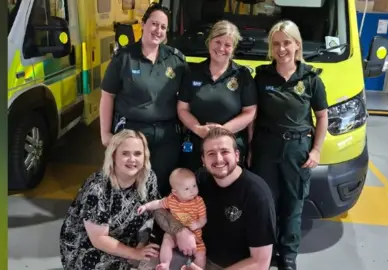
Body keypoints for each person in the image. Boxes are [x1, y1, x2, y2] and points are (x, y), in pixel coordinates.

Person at [248, 20, 329, 270]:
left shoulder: (311, 78)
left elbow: (323, 116)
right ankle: (267, 249)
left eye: (286, 43)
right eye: (276, 44)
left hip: (297, 150)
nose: (281, 49)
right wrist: (250, 149)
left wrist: (316, 150)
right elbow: (253, 115)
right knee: (267, 201)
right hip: (266, 148)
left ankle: (289, 254)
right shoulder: (261, 77)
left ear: (297, 45)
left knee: (293, 203)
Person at [153, 127, 276, 270]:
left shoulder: (257, 194)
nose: (218, 159)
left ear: (237, 155)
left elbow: (260, 263)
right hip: (200, 259)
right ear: (203, 160)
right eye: (211, 153)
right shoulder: (199, 180)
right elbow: (159, 210)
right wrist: (180, 231)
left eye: (224, 152)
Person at [99, 2, 188, 197]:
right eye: (154, 24)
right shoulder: (124, 58)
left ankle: (156, 225)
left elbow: (186, 99)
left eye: (163, 27)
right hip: (132, 132)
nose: (158, 30)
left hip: (166, 135)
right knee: (129, 185)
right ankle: (129, 225)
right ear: (143, 24)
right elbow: (108, 96)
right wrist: (105, 133)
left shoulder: (176, 60)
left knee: (163, 184)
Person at [59, 129, 162, 270]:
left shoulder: (149, 178)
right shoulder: (97, 187)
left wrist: (142, 245)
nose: (132, 159)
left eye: (138, 153)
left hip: (127, 240)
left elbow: (154, 210)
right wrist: (135, 254)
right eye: (125, 153)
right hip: (89, 246)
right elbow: (99, 239)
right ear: (113, 156)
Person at [177, 20, 257, 172]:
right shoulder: (193, 72)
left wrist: (223, 131)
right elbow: (182, 108)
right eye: (217, 42)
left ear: (233, 49)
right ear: (209, 42)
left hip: (229, 148)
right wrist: (198, 128)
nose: (221, 48)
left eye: (227, 45)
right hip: (197, 145)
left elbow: (250, 112)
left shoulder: (242, 75)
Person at [137, 168, 207, 270]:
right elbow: (158, 203)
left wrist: (197, 224)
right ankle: (165, 263)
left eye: (194, 186)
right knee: (167, 240)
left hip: (195, 235)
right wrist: (145, 207)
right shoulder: (171, 200)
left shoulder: (198, 201)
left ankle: (196, 268)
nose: (192, 191)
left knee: (201, 253)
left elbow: (203, 219)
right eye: (187, 189)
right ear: (175, 192)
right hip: (173, 233)